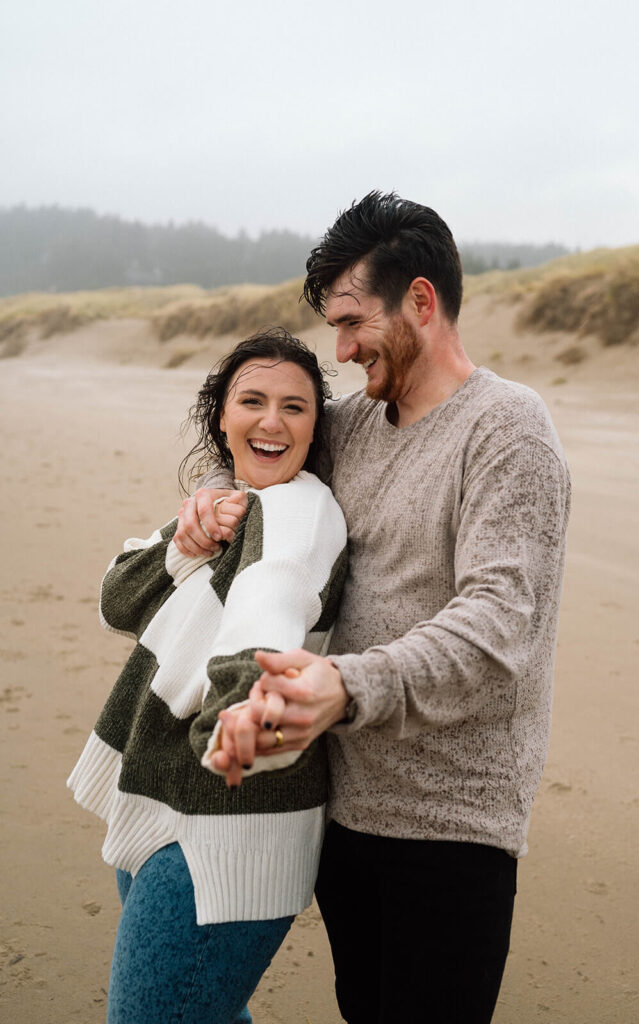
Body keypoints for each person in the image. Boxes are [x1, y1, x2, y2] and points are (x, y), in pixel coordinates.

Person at [175, 192, 572, 1024]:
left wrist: (345, 689)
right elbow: (262, 459)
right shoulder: (353, 424)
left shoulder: (507, 429)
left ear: (421, 303)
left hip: (453, 824)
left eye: (354, 322)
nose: (342, 348)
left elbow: (498, 625)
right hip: (344, 810)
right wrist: (210, 500)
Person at [68, 328, 347, 1024]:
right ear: (221, 415)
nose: (272, 421)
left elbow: (270, 604)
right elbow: (116, 601)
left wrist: (242, 707)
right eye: (252, 400)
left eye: (295, 407)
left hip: (227, 813)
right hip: (162, 792)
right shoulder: (227, 505)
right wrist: (184, 542)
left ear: (317, 427)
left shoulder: (300, 511)